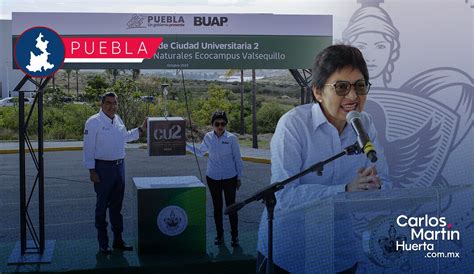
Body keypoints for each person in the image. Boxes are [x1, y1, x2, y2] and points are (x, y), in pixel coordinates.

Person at [256, 44, 391, 273]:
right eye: (341, 87)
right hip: (290, 253)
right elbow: (284, 196)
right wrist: (346, 190)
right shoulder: (293, 125)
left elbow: (385, 181)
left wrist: (374, 186)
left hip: (341, 252)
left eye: (360, 86)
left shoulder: (365, 124)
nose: (352, 96)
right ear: (318, 92)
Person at [83, 92, 147, 255]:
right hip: (102, 169)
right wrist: (92, 170)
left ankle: (118, 241)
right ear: (102, 104)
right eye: (108, 103)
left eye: (114, 103)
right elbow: (88, 148)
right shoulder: (93, 122)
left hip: (119, 167)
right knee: (102, 206)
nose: (112, 106)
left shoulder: (117, 119)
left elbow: (124, 137)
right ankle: (103, 244)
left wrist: (141, 129)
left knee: (117, 208)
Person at [187, 110, 243, 247]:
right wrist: (185, 145)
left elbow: (237, 159)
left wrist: (239, 177)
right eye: (217, 124)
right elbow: (200, 152)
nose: (220, 127)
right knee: (217, 208)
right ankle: (220, 236)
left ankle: (234, 236)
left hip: (230, 177)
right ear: (212, 124)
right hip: (213, 177)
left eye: (223, 124)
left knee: (231, 207)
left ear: (226, 125)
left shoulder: (231, 139)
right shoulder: (208, 137)